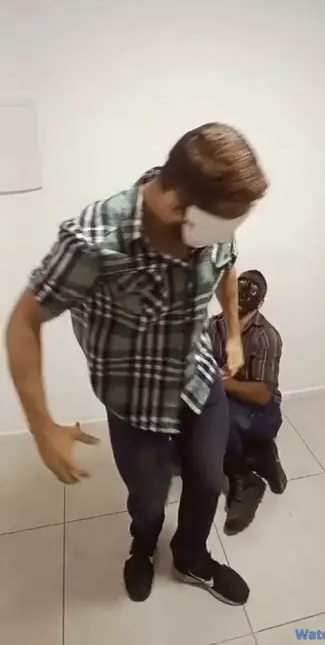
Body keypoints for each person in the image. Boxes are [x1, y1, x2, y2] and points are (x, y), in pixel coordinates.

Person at [5, 123, 267, 606]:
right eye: (216, 229)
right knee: (148, 498)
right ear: (173, 205)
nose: (222, 238)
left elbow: (227, 266)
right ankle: (142, 546)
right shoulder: (94, 241)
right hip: (134, 400)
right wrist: (42, 428)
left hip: (196, 378)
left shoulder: (211, 221)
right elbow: (24, 321)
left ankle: (191, 556)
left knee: (208, 480)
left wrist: (233, 335)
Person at [209, 269, 287, 536]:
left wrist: (222, 381)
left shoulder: (266, 336)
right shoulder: (213, 326)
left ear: (261, 301)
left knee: (219, 418)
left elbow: (262, 395)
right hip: (228, 401)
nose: (243, 294)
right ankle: (261, 454)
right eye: (239, 287)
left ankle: (245, 480)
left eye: (252, 291)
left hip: (263, 413)